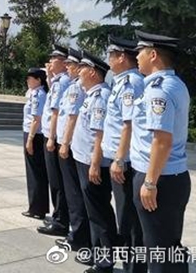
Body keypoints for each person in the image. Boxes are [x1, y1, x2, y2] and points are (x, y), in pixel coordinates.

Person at [131, 31, 190, 273]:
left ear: (153, 55)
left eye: (140, 52)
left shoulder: (159, 90)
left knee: (157, 251)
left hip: (159, 179)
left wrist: (150, 183)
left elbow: (162, 141)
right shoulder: (175, 84)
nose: (136, 57)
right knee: (169, 247)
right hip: (172, 178)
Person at [104, 36, 146, 273]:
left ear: (122, 57)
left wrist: (119, 159)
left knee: (130, 222)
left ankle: (135, 269)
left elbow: (128, 125)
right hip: (120, 159)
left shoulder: (131, 83)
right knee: (125, 220)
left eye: (112, 54)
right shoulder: (121, 82)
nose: (108, 59)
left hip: (127, 162)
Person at [72, 51, 117, 273]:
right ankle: (95, 251)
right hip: (84, 160)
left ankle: (105, 260)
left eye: (82, 68)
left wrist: (95, 164)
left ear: (92, 72)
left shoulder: (101, 97)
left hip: (93, 163)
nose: (78, 72)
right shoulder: (91, 94)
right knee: (93, 211)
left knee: (99, 213)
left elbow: (99, 135)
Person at [55, 48, 92, 254]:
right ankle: (77, 233)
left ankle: (78, 236)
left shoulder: (77, 88)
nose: (67, 67)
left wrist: (65, 143)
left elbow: (72, 117)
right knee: (73, 192)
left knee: (74, 193)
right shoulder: (75, 86)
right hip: (71, 145)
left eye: (70, 64)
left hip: (71, 146)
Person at [37, 45, 71, 237]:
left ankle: (61, 220)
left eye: (54, 58)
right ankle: (58, 215)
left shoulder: (64, 81)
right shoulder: (58, 81)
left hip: (55, 137)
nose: (50, 61)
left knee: (58, 183)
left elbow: (57, 111)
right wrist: (50, 76)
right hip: (53, 135)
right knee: (55, 181)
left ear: (64, 62)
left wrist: (51, 137)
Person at [22, 67, 50, 220]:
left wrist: (30, 140)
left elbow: (36, 119)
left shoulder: (39, 95)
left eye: (30, 78)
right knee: (34, 172)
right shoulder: (34, 93)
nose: (27, 81)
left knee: (35, 173)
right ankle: (36, 206)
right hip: (31, 133)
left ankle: (37, 208)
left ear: (38, 80)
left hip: (34, 135)